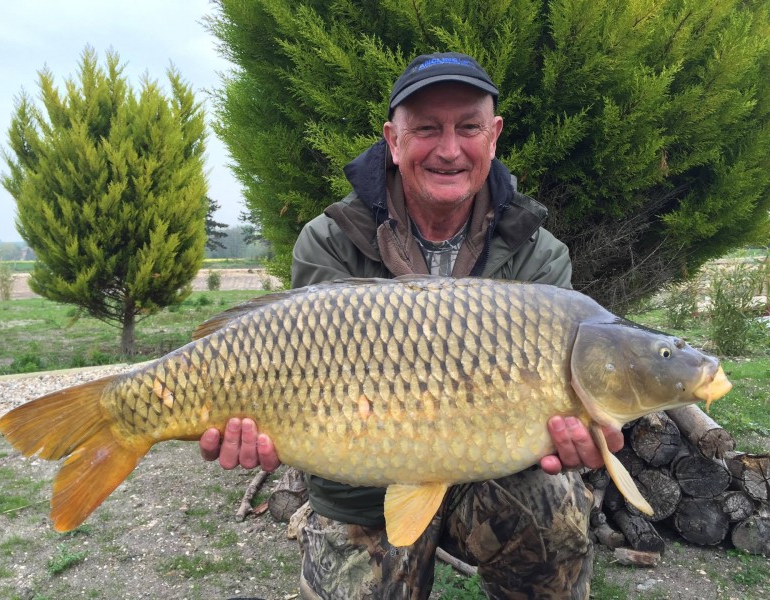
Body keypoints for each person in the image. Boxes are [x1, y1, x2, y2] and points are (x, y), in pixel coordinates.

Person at [200, 52, 624, 599]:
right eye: (426, 129)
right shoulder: (330, 241)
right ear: (393, 141)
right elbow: (295, 377)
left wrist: (581, 434)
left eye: (468, 127)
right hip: (363, 487)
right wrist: (258, 429)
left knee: (555, 509)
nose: (449, 149)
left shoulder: (539, 256)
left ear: (494, 136)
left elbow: (559, 417)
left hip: (494, 480)